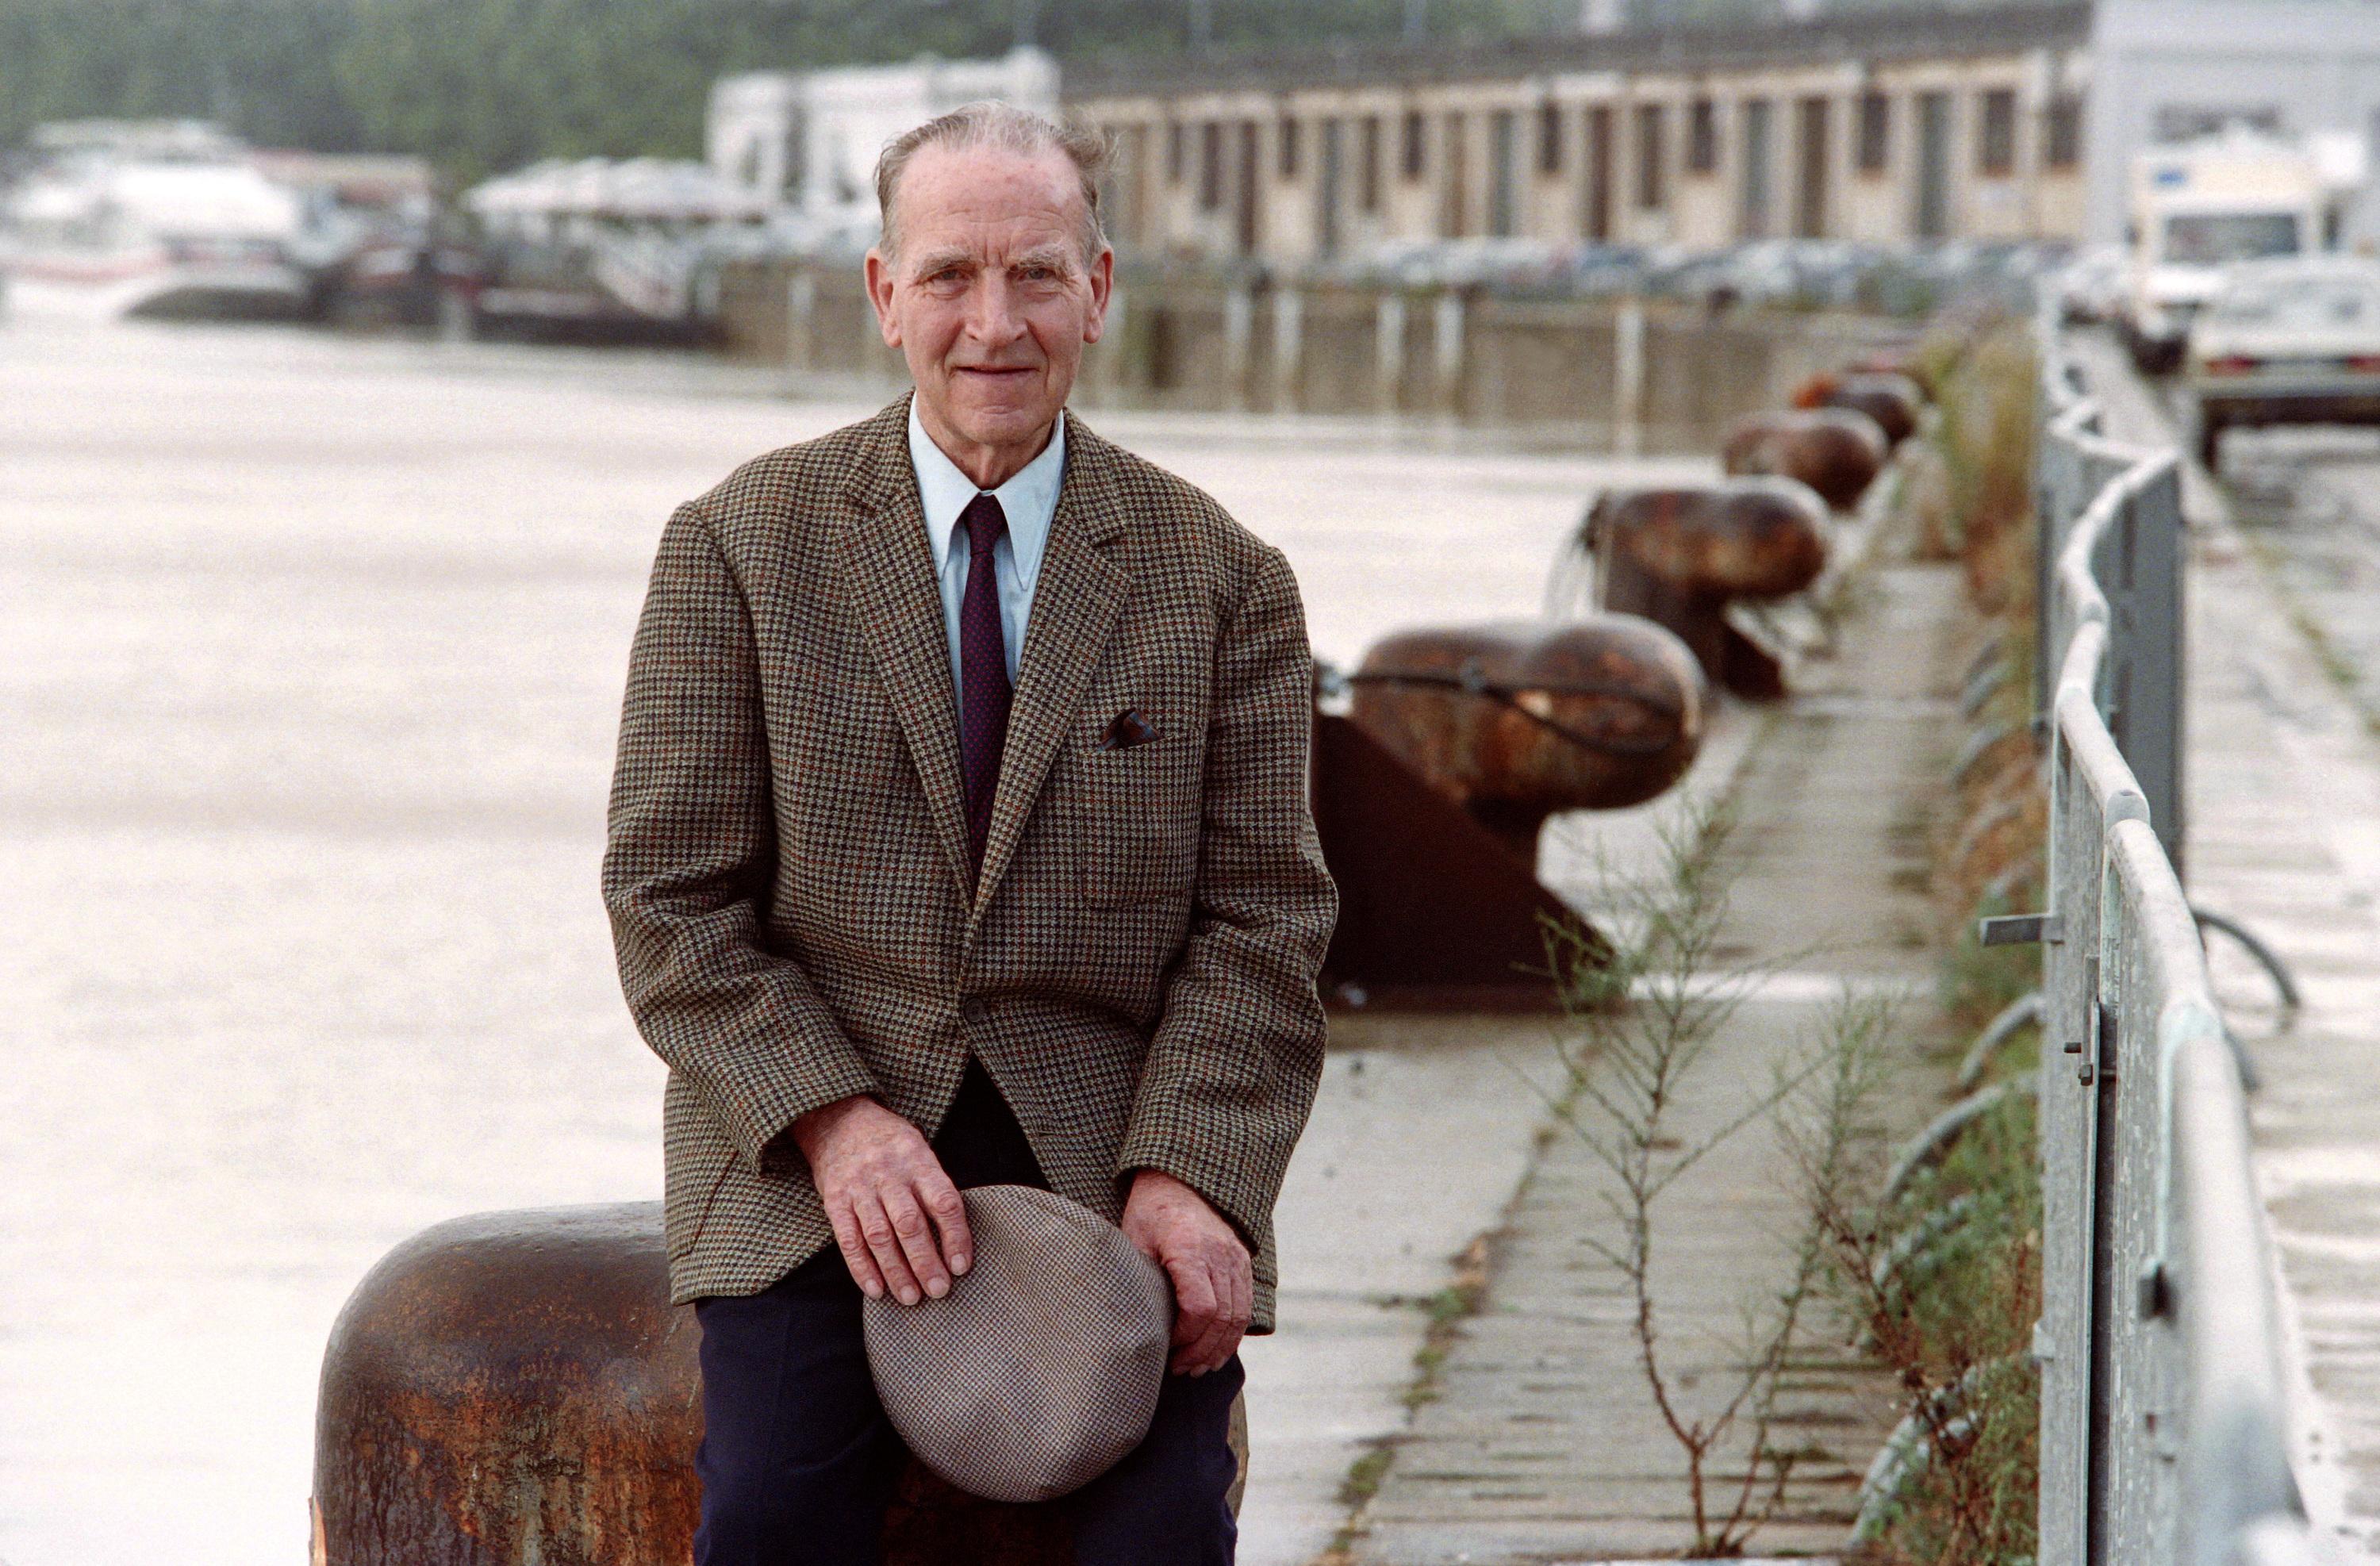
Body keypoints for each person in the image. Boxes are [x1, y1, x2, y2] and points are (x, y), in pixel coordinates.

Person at [601, 101, 1337, 1566]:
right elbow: (668, 900)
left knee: (1161, 1535)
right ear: (884, 295)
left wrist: (1192, 1166)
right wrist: (833, 1116)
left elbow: (1267, 924)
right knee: (771, 1516)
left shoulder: (1226, 580)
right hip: (815, 1162)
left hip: (1109, 1160)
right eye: (948, 275)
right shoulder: (739, 546)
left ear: (1102, 290)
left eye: (1037, 274)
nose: (991, 323)